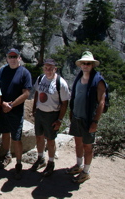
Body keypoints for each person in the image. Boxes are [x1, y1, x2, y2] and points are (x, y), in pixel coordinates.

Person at [66, 51, 106, 183]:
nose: (86, 65)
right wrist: (71, 112)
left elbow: (101, 102)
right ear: (81, 65)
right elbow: (75, 96)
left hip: (88, 119)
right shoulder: (78, 78)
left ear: (92, 65)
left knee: (87, 146)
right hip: (77, 116)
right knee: (78, 142)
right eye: (84, 63)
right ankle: (78, 165)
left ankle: (86, 172)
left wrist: (95, 121)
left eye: (88, 63)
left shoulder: (98, 81)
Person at [0, 48, 32, 180]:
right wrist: (3, 104)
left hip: (15, 111)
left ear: (19, 58)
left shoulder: (24, 73)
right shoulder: (2, 71)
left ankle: (19, 164)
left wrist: (11, 105)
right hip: (3, 109)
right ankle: (6, 156)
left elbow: (27, 93)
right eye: (10, 56)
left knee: (16, 138)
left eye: (14, 56)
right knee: (5, 133)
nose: (12, 59)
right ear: (7, 58)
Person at [31, 59, 70, 176]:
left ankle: (51, 162)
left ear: (55, 69)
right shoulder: (40, 78)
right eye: (46, 68)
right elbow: (37, 93)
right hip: (40, 112)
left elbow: (65, 103)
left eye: (50, 68)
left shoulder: (60, 83)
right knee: (39, 137)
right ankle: (40, 158)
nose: (48, 70)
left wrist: (59, 120)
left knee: (50, 140)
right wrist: (34, 108)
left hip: (52, 114)